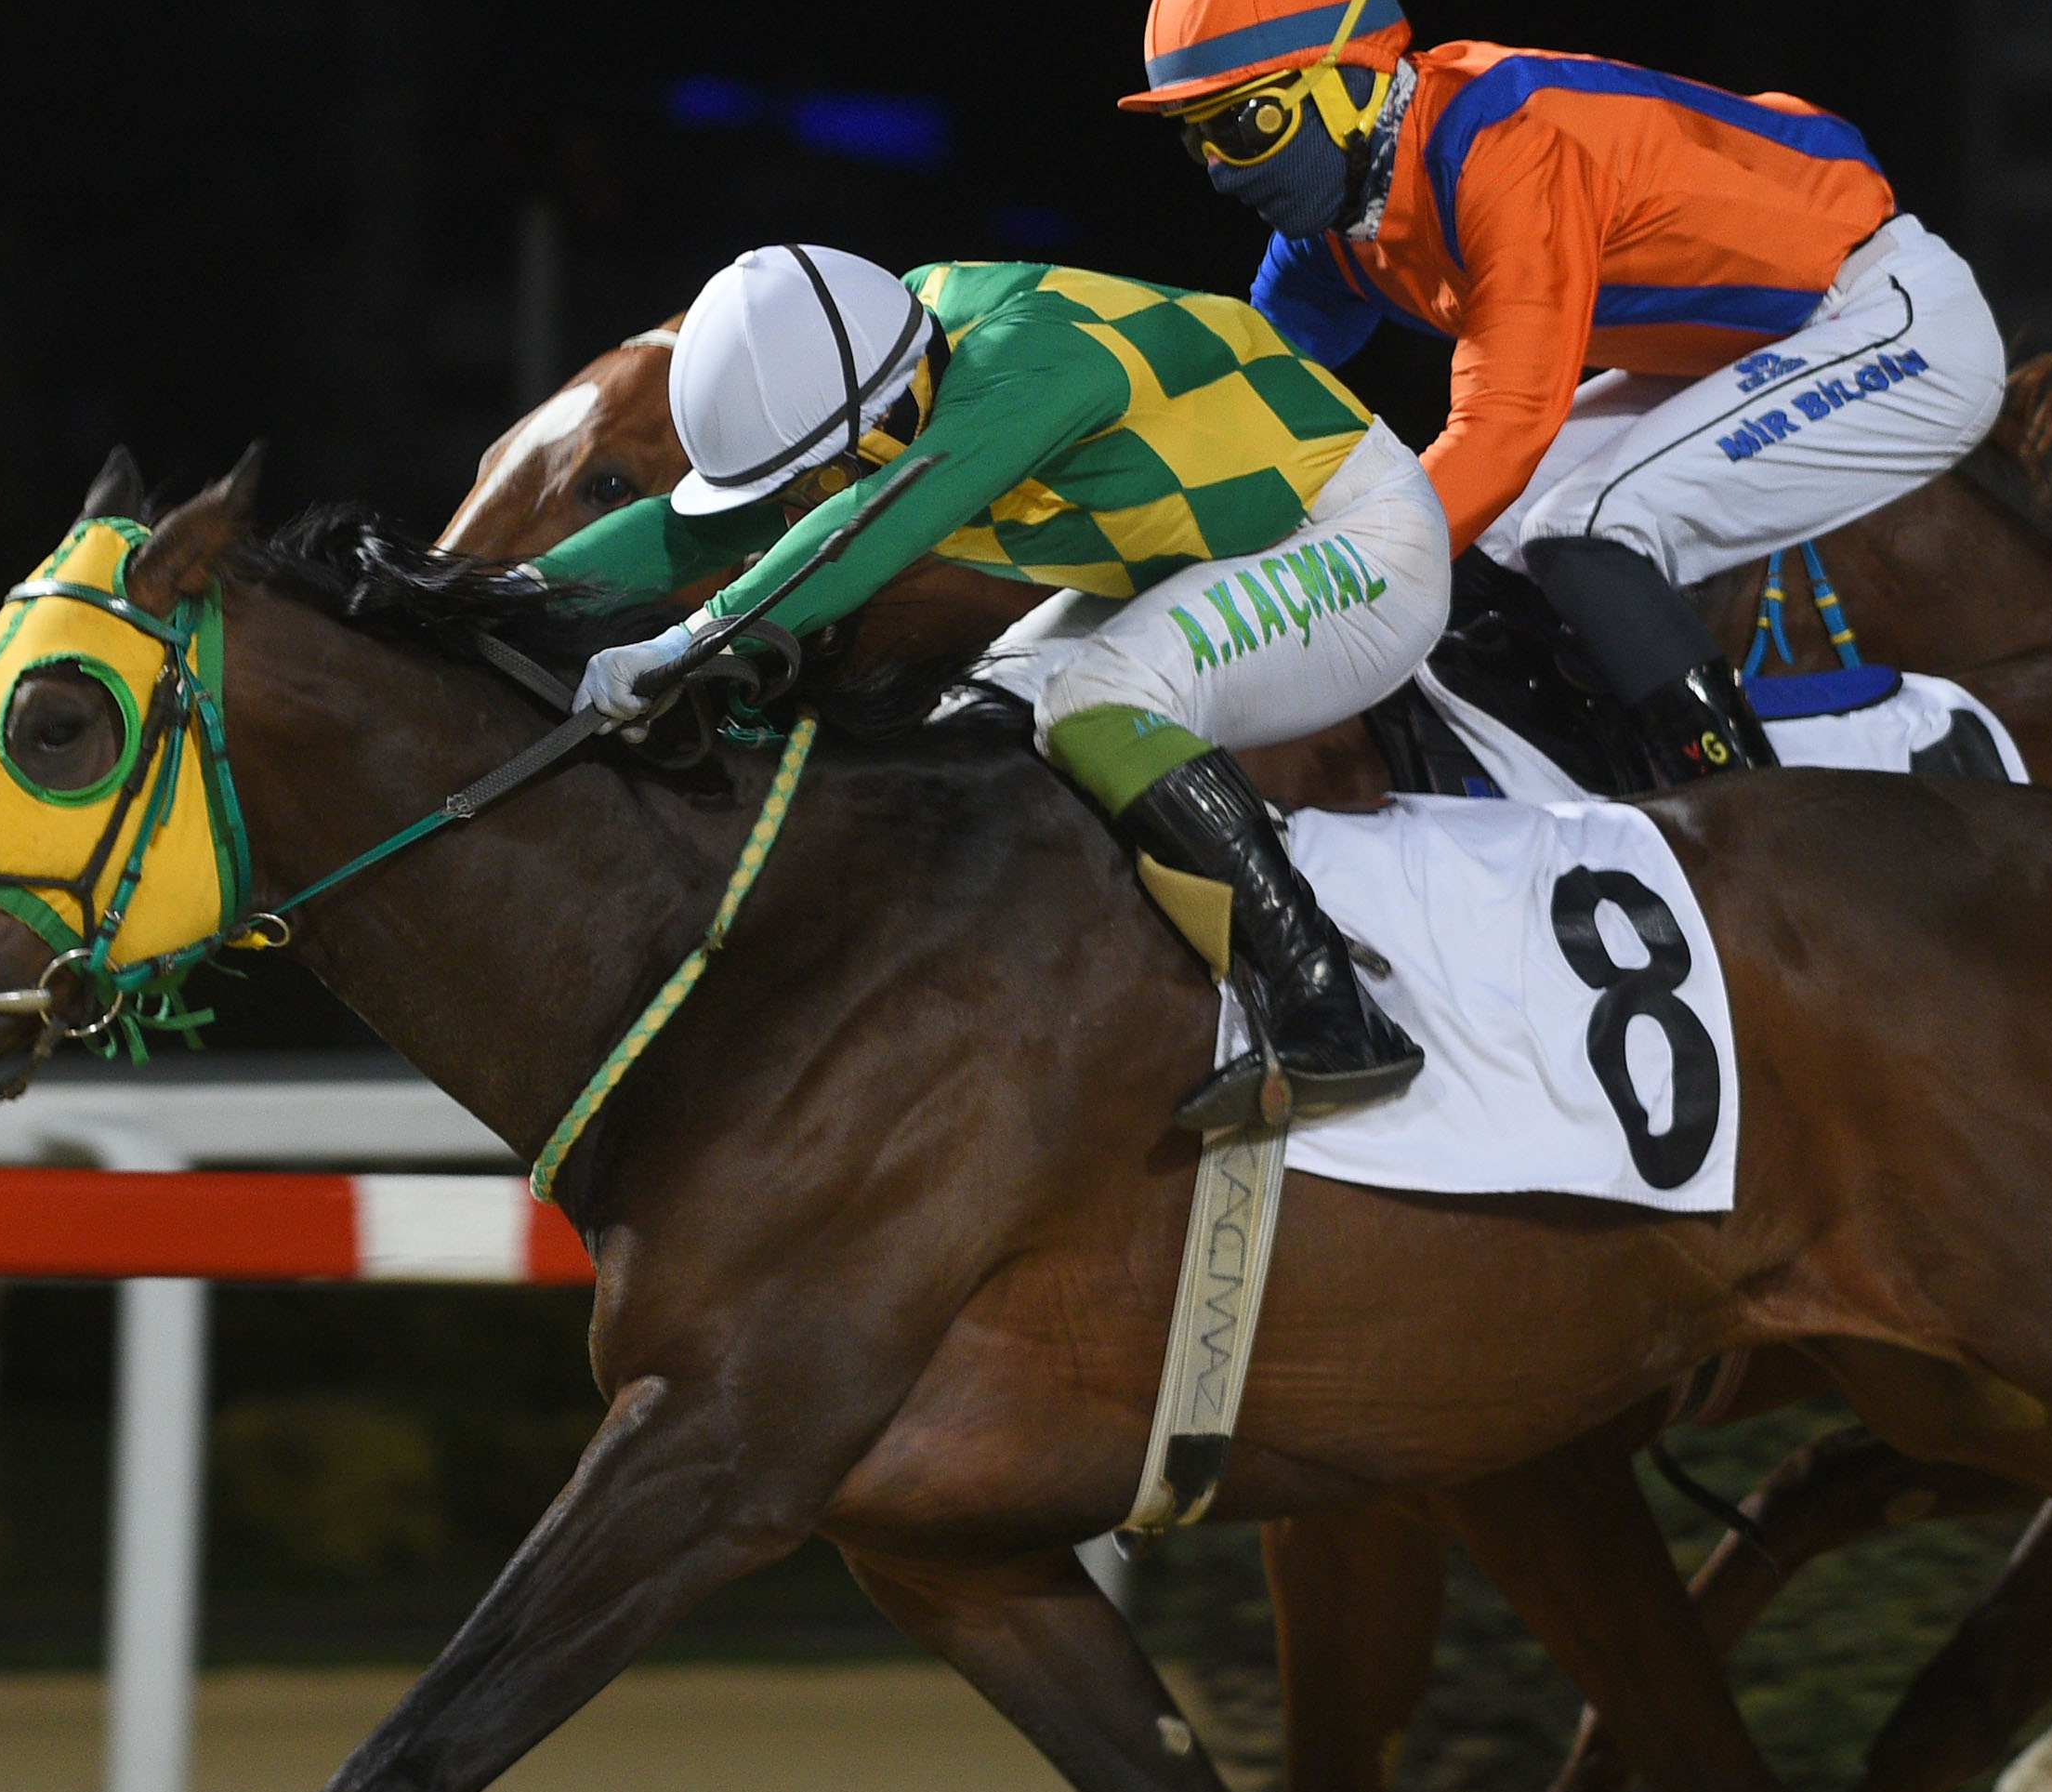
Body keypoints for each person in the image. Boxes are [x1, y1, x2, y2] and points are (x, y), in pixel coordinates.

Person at [552, 244, 1448, 1132]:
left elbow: (864, 529)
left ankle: (1331, 1007)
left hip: (1362, 540)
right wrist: (517, 585)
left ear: (875, 424)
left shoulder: (1030, 361)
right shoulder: (879, 356)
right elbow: (698, 531)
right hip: (1212, 557)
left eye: (810, 482)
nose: (797, 506)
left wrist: (690, 641)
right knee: (972, 721)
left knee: (1097, 705)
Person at [1122, 0, 2007, 784]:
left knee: (1583, 531)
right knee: (1493, 547)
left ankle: (1749, 810)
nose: (1221, 171)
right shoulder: (1337, 227)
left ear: (1349, 83)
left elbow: (1500, 432)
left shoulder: (1506, 151)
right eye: (1197, 136)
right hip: (1751, 347)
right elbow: (1238, 399)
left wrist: (1318, 581)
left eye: (1245, 126)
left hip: (1889, 319)